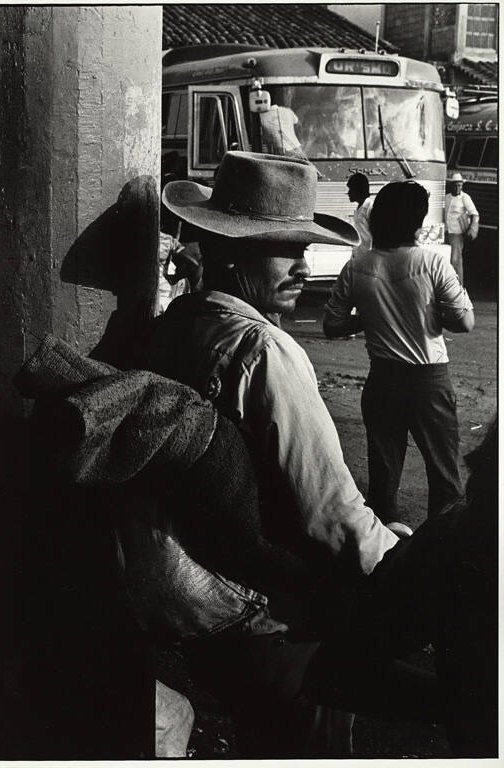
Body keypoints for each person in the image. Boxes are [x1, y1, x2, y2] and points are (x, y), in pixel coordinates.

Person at [137, 153, 495, 757]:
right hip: (276, 616)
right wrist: (400, 564)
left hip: (206, 601)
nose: (302, 265)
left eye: (304, 248)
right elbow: (330, 513)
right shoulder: (262, 350)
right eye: (283, 248)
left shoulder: (177, 325)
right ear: (231, 250)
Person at [324, 181, 474, 526]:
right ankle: (441, 551)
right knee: (444, 475)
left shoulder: (358, 266)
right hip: (429, 382)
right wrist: (433, 314)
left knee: (383, 477)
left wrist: (369, 317)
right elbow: (464, 323)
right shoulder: (433, 264)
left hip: (382, 381)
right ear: (417, 222)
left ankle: (384, 554)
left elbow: (331, 326)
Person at [444, 171, 479, 285]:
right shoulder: (447, 197)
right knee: (446, 260)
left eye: (460, 185)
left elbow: (475, 214)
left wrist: (472, 228)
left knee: (455, 261)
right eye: (456, 185)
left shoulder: (465, 197)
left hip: (457, 234)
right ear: (451, 185)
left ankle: (459, 287)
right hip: (446, 232)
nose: (458, 187)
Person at [347, 172, 373, 257]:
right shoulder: (359, 208)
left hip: (368, 257)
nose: (348, 193)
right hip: (358, 255)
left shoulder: (370, 207)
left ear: (358, 189)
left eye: (350, 189)